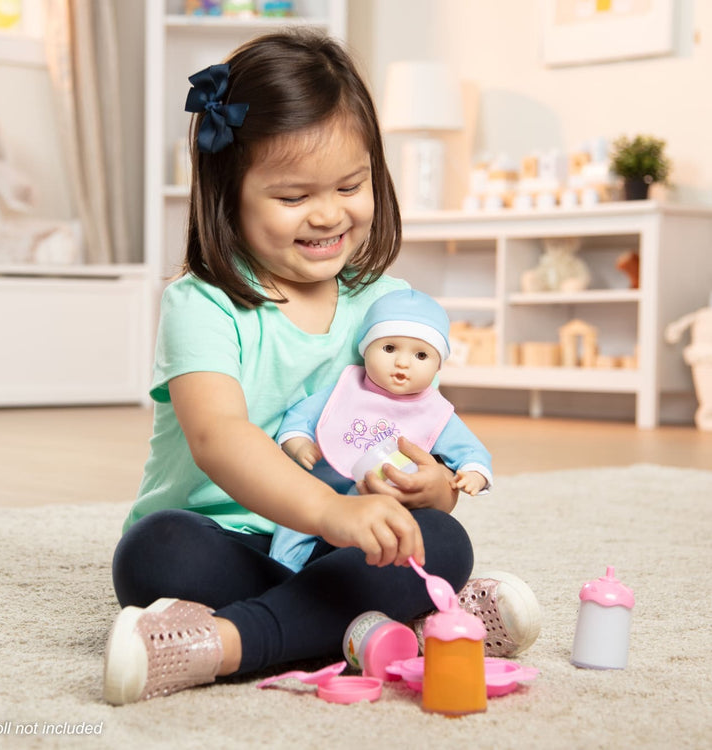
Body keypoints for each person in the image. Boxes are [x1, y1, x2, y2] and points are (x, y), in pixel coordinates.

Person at [103, 29, 537, 706]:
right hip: (225, 539)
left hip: (338, 546)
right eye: (293, 196)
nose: (329, 214)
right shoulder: (201, 304)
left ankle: (218, 645)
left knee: (441, 538)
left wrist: (435, 487)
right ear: (230, 192)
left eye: (351, 184)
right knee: (154, 556)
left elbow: (412, 425)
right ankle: (409, 621)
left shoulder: (388, 305)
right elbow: (220, 439)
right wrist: (330, 511)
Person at [270, 288, 492, 572]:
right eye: (389, 348)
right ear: (366, 349)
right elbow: (301, 416)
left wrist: (473, 473)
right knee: (292, 521)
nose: (402, 362)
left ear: (438, 366)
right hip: (318, 490)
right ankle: (280, 570)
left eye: (421, 355)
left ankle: (334, 577)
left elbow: (470, 450)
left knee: (402, 546)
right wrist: (298, 442)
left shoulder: (434, 411)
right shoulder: (347, 388)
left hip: (378, 502)